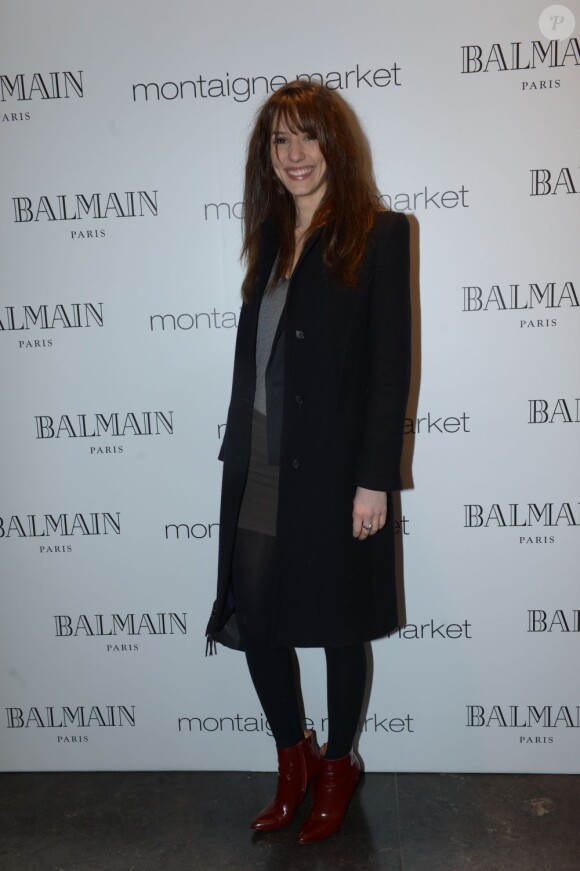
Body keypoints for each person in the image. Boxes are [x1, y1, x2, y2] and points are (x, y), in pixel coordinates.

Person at [206, 79, 411, 844]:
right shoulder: (267, 239)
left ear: (336, 146)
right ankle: (291, 760)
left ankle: (337, 765)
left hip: (335, 469)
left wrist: (375, 478)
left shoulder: (381, 235)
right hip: (258, 457)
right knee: (256, 616)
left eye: (308, 138)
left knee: (335, 622)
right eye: (280, 140)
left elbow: (391, 368)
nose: (295, 155)